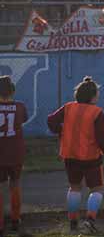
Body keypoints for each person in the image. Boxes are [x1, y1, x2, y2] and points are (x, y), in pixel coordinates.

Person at [47, 77, 104, 233]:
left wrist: (61, 131)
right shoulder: (96, 112)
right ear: (93, 96)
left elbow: (51, 120)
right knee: (97, 189)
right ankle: (90, 220)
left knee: (74, 188)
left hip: (70, 155)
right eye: (97, 93)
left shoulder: (68, 107)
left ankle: (73, 221)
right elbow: (103, 139)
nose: (98, 96)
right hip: (90, 157)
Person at [0, 76, 29, 236]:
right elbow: (22, 119)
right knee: (15, 184)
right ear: (13, 90)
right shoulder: (20, 107)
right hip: (15, 152)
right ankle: (15, 219)